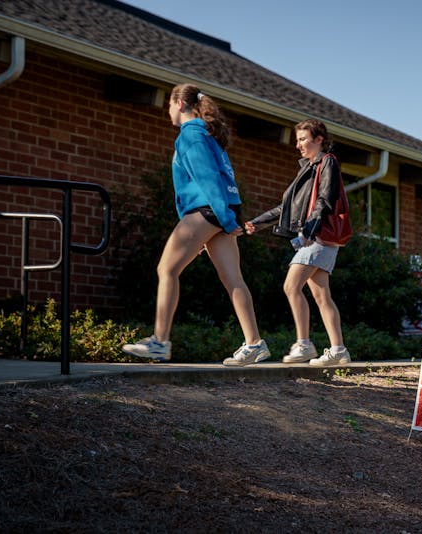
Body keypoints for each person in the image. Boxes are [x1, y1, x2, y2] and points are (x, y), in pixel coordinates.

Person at [122, 84, 269, 366]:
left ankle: (159, 342)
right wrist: (226, 220)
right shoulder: (207, 134)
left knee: (166, 269)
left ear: (179, 103)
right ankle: (255, 344)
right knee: (233, 280)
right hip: (220, 210)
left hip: (207, 209)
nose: (167, 110)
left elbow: (208, 178)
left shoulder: (190, 134)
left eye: (168, 104)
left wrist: (222, 220)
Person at [245, 119, 351, 367]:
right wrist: (257, 222)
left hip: (318, 235)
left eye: (303, 139)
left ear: (319, 140)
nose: (298, 145)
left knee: (291, 286)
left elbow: (325, 200)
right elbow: (287, 207)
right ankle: (338, 350)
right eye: (297, 140)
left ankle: (304, 344)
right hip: (317, 236)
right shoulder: (308, 168)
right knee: (321, 294)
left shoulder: (327, 163)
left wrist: (308, 232)